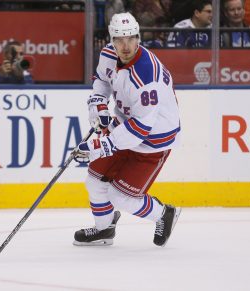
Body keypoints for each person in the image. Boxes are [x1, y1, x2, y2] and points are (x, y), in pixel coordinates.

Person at [73, 12, 181, 247]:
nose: (126, 45)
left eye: (131, 38)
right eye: (120, 39)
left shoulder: (146, 76)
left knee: (122, 197)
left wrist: (102, 144)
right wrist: (99, 103)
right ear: (111, 39)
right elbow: (102, 80)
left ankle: (164, 214)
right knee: (95, 181)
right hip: (125, 124)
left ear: (138, 37)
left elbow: (141, 129)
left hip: (153, 139)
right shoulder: (109, 54)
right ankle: (104, 230)